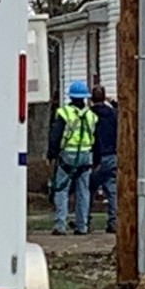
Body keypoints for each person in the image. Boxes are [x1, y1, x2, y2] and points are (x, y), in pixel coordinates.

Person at [47, 79, 96, 235]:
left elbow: (56, 135)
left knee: (61, 189)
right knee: (83, 191)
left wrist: (51, 153)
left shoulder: (64, 113)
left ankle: (60, 225)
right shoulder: (91, 115)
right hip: (86, 154)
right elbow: (96, 136)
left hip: (68, 154)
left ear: (71, 97)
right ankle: (82, 226)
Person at [89, 84, 118, 235]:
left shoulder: (89, 115)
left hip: (95, 157)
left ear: (91, 99)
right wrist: (112, 102)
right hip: (112, 155)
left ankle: (84, 221)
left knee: (87, 189)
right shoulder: (113, 114)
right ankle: (113, 222)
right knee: (112, 190)